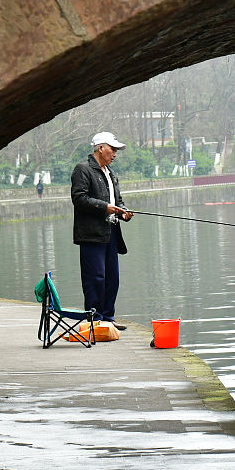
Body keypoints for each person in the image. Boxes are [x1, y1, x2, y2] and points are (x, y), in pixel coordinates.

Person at [71, 132, 134, 331]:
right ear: (101, 148)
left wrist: (123, 211)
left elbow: (118, 200)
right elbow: (79, 199)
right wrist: (104, 207)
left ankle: (108, 318)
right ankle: (94, 319)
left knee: (112, 278)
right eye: (113, 149)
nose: (115, 153)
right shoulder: (83, 169)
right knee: (95, 278)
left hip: (111, 233)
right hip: (91, 235)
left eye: (116, 150)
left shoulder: (111, 173)